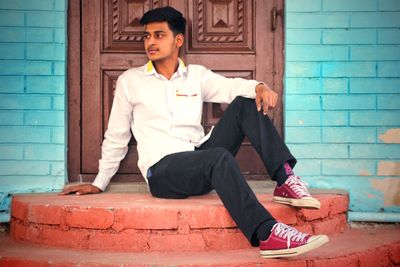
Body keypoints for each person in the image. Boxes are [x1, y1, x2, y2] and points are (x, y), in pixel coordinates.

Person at [60, 6, 329, 258]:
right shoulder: (130, 81)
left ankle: (284, 178)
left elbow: (230, 87)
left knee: (245, 103)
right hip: (162, 170)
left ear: (178, 41)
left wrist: (259, 86)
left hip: (197, 157)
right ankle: (266, 232)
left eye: (159, 35)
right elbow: (117, 134)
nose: (150, 42)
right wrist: (100, 181)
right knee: (220, 157)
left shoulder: (196, 76)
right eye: (147, 36)